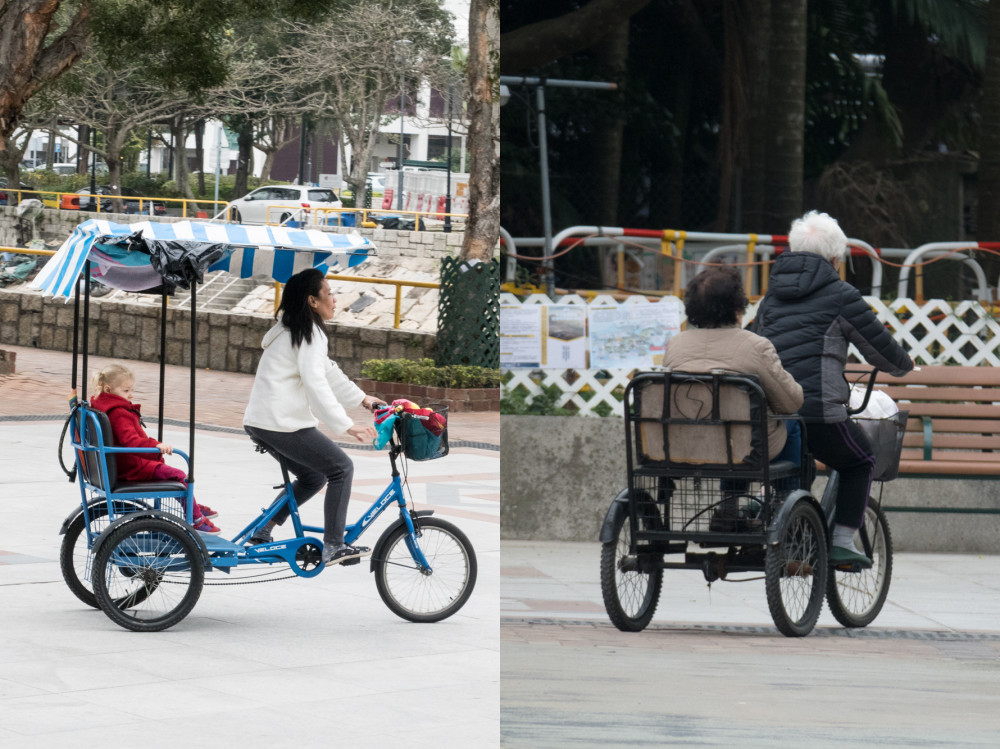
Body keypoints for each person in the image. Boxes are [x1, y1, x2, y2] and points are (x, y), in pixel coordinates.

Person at [752, 210, 913, 568]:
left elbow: (751, 343)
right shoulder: (841, 295)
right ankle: (841, 540)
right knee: (860, 459)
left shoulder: (771, 298)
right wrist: (903, 365)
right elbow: (881, 348)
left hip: (773, 415)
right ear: (836, 259)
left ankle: (781, 518)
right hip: (819, 413)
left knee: (794, 463)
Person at [243, 268, 384, 566]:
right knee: (341, 468)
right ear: (312, 301)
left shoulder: (295, 329)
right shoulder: (309, 333)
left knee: (314, 476)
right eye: (329, 293)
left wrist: (363, 399)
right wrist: (345, 426)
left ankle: (263, 529)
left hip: (265, 420)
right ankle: (333, 545)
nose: (335, 299)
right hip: (279, 422)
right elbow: (315, 382)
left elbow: (327, 371)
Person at [664, 266, 804, 530]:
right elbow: (791, 402)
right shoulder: (755, 346)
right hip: (743, 447)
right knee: (790, 424)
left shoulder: (676, 345)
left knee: (732, 429)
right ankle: (785, 503)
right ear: (736, 305)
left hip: (686, 446)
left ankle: (728, 507)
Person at [90, 363, 221, 534]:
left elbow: (134, 439)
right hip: (133, 467)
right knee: (180, 475)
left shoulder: (103, 407)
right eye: (126, 391)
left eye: (131, 390)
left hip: (124, 463)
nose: (130, 395)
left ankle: (192, 506)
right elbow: (132, 442)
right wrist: (156, 447)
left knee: (177, 476)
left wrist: (155, 444)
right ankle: (196, 518)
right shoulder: (118, 413)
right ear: (108, 389)